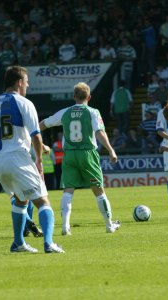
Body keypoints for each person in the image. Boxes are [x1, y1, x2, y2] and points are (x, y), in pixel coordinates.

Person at [0, 66, 64, 253]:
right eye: (26, 81)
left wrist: (3, 139)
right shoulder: (24, 103)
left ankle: (18, 243)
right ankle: (49, 243)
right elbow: (36, 135)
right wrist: (39, 160)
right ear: (19, 82)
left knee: (20, 199)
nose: (28, 85)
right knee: (42, 201)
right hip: (16, 157)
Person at [39, 82, 121, 236]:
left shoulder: (65, 112)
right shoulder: (92, 112)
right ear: (89, 97)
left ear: (74, 96)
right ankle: (109, 225)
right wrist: (111, 150)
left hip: (69, 154)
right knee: (98, 190)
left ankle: (65, 227)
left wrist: (36, 138)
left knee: (68, 190)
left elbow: (44, 124)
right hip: (87, 153)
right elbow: (99, 132)